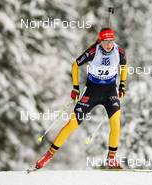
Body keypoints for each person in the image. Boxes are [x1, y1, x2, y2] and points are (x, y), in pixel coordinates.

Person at [35, 27, 128, 169]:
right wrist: (75, 87)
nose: (109, 45)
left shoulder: (119, 51)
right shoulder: (93, 51)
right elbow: (75, 65)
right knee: (72, 124)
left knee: (116, 124)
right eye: (105, 41)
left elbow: (124, 66)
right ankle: (47, 156)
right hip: (92, 92)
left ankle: (111, 160)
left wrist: (122, 84)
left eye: (111, 41)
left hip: (110, 92)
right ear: (100, 41)